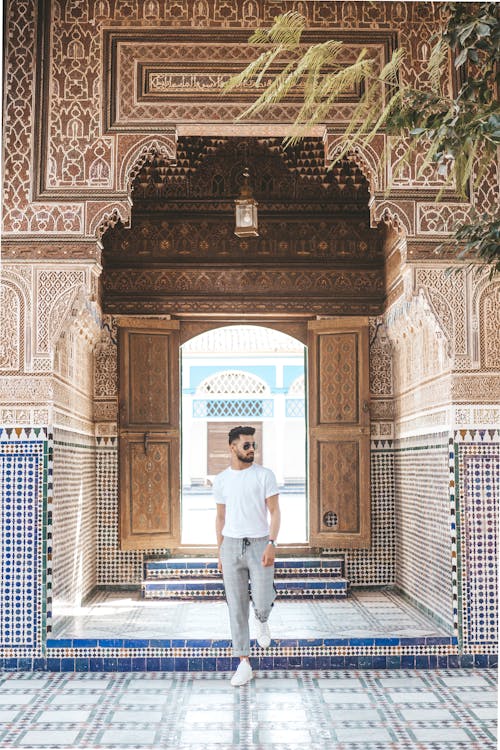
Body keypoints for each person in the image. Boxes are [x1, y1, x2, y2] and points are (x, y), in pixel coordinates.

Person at [214, 425, 281, 687]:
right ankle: (244, 662)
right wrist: (219, 550)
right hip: (230, 545)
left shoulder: (264, 476)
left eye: (254, 445)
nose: (252, 449)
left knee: (262, 598)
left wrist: (272, 543)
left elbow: (275, 512)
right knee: (237, 605)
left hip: (259, 543)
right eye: (246, 445)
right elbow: (220, 517)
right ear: (232, 447)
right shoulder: (221, 480)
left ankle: (263, 618)